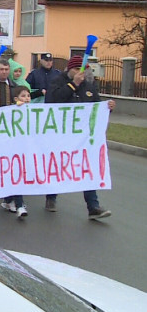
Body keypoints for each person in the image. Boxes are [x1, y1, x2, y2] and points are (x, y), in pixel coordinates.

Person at [44, 55, 116, 219]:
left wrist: (108, 107)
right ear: (70, 69)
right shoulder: (57, 81)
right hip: (60, 134)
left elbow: (96, 107)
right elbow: (52, 100)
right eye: (77, 69)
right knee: (58, 165)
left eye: (83, 70)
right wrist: (73, 85)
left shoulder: (89, 86)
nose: (80, 73)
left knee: (87, 167)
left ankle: (93, 206)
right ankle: (51, 197)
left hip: (81, 137)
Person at [0, 85, 32, 218]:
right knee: (16, 175)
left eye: (28, 96)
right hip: (13, 150)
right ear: (16, 98)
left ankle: (8, 200)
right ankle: (20, 205)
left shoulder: (35, 111)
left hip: (26, 149)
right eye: (23, 96)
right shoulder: (11, 112)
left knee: (18, 175)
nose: (26, 99)